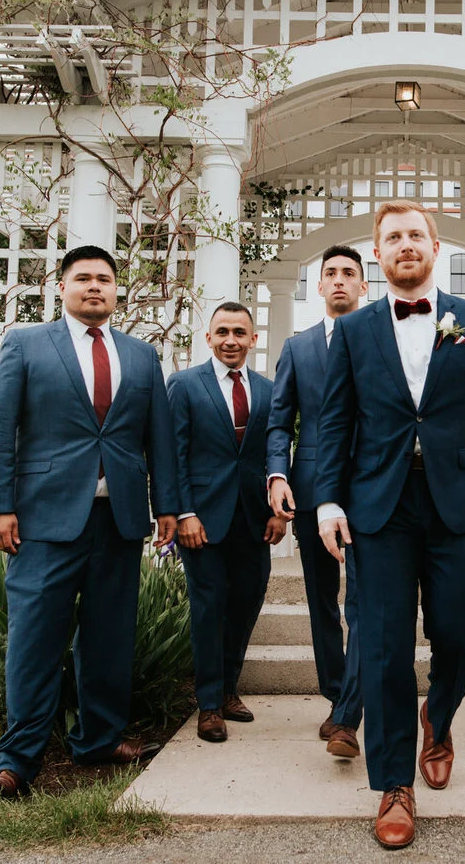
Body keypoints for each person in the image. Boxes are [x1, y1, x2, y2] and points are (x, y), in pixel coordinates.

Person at [314, 200, 465, 850]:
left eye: (415, 234)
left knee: (459, 631)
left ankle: (441, 712)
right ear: (377, 255)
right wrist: (328, 500)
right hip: (377, 504)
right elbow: (334, 424)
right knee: (381, 643)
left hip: (459, 498)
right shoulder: (353, 331)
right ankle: (394, 784)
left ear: (435, 247)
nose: (405, 244)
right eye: (392, 237)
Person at [0, 245, 177, 802]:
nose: (95, 287)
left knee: (110, 638)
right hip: (41, 520)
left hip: (118, 518)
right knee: (35, 639)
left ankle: (98, 740)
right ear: (61, 286)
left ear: (117, 290)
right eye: (83, 278)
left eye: (105, 280)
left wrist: (167, 506)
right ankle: (16, 762)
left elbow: (158, 438)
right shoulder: (26, 344)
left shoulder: (141, 355)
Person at [167, 302, 287, 743]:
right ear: (209, 338)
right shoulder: (183, 385)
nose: (231, 340)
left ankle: (230, 689)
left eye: (240, 332)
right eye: (222, 332)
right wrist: (184, 513)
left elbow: (277, 451)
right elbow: (173, 454)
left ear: (253, 339)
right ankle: (209, 704)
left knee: (245, 605)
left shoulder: (270, 390)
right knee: (208, 609)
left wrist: (277, 512)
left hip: (254, 519)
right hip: (201, 518)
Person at [266, 245, 368, 758]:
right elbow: (280, 418)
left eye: (350, 273)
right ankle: (337, 697)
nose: (340, 281)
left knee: (366, 602)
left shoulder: (380, 339)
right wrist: (277, 475)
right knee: (322, 601)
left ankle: (352, 706)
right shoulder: (298, 347)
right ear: (320, 286)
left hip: (372, 486)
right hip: (308, 488)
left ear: (364, 286)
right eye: (330, 273)